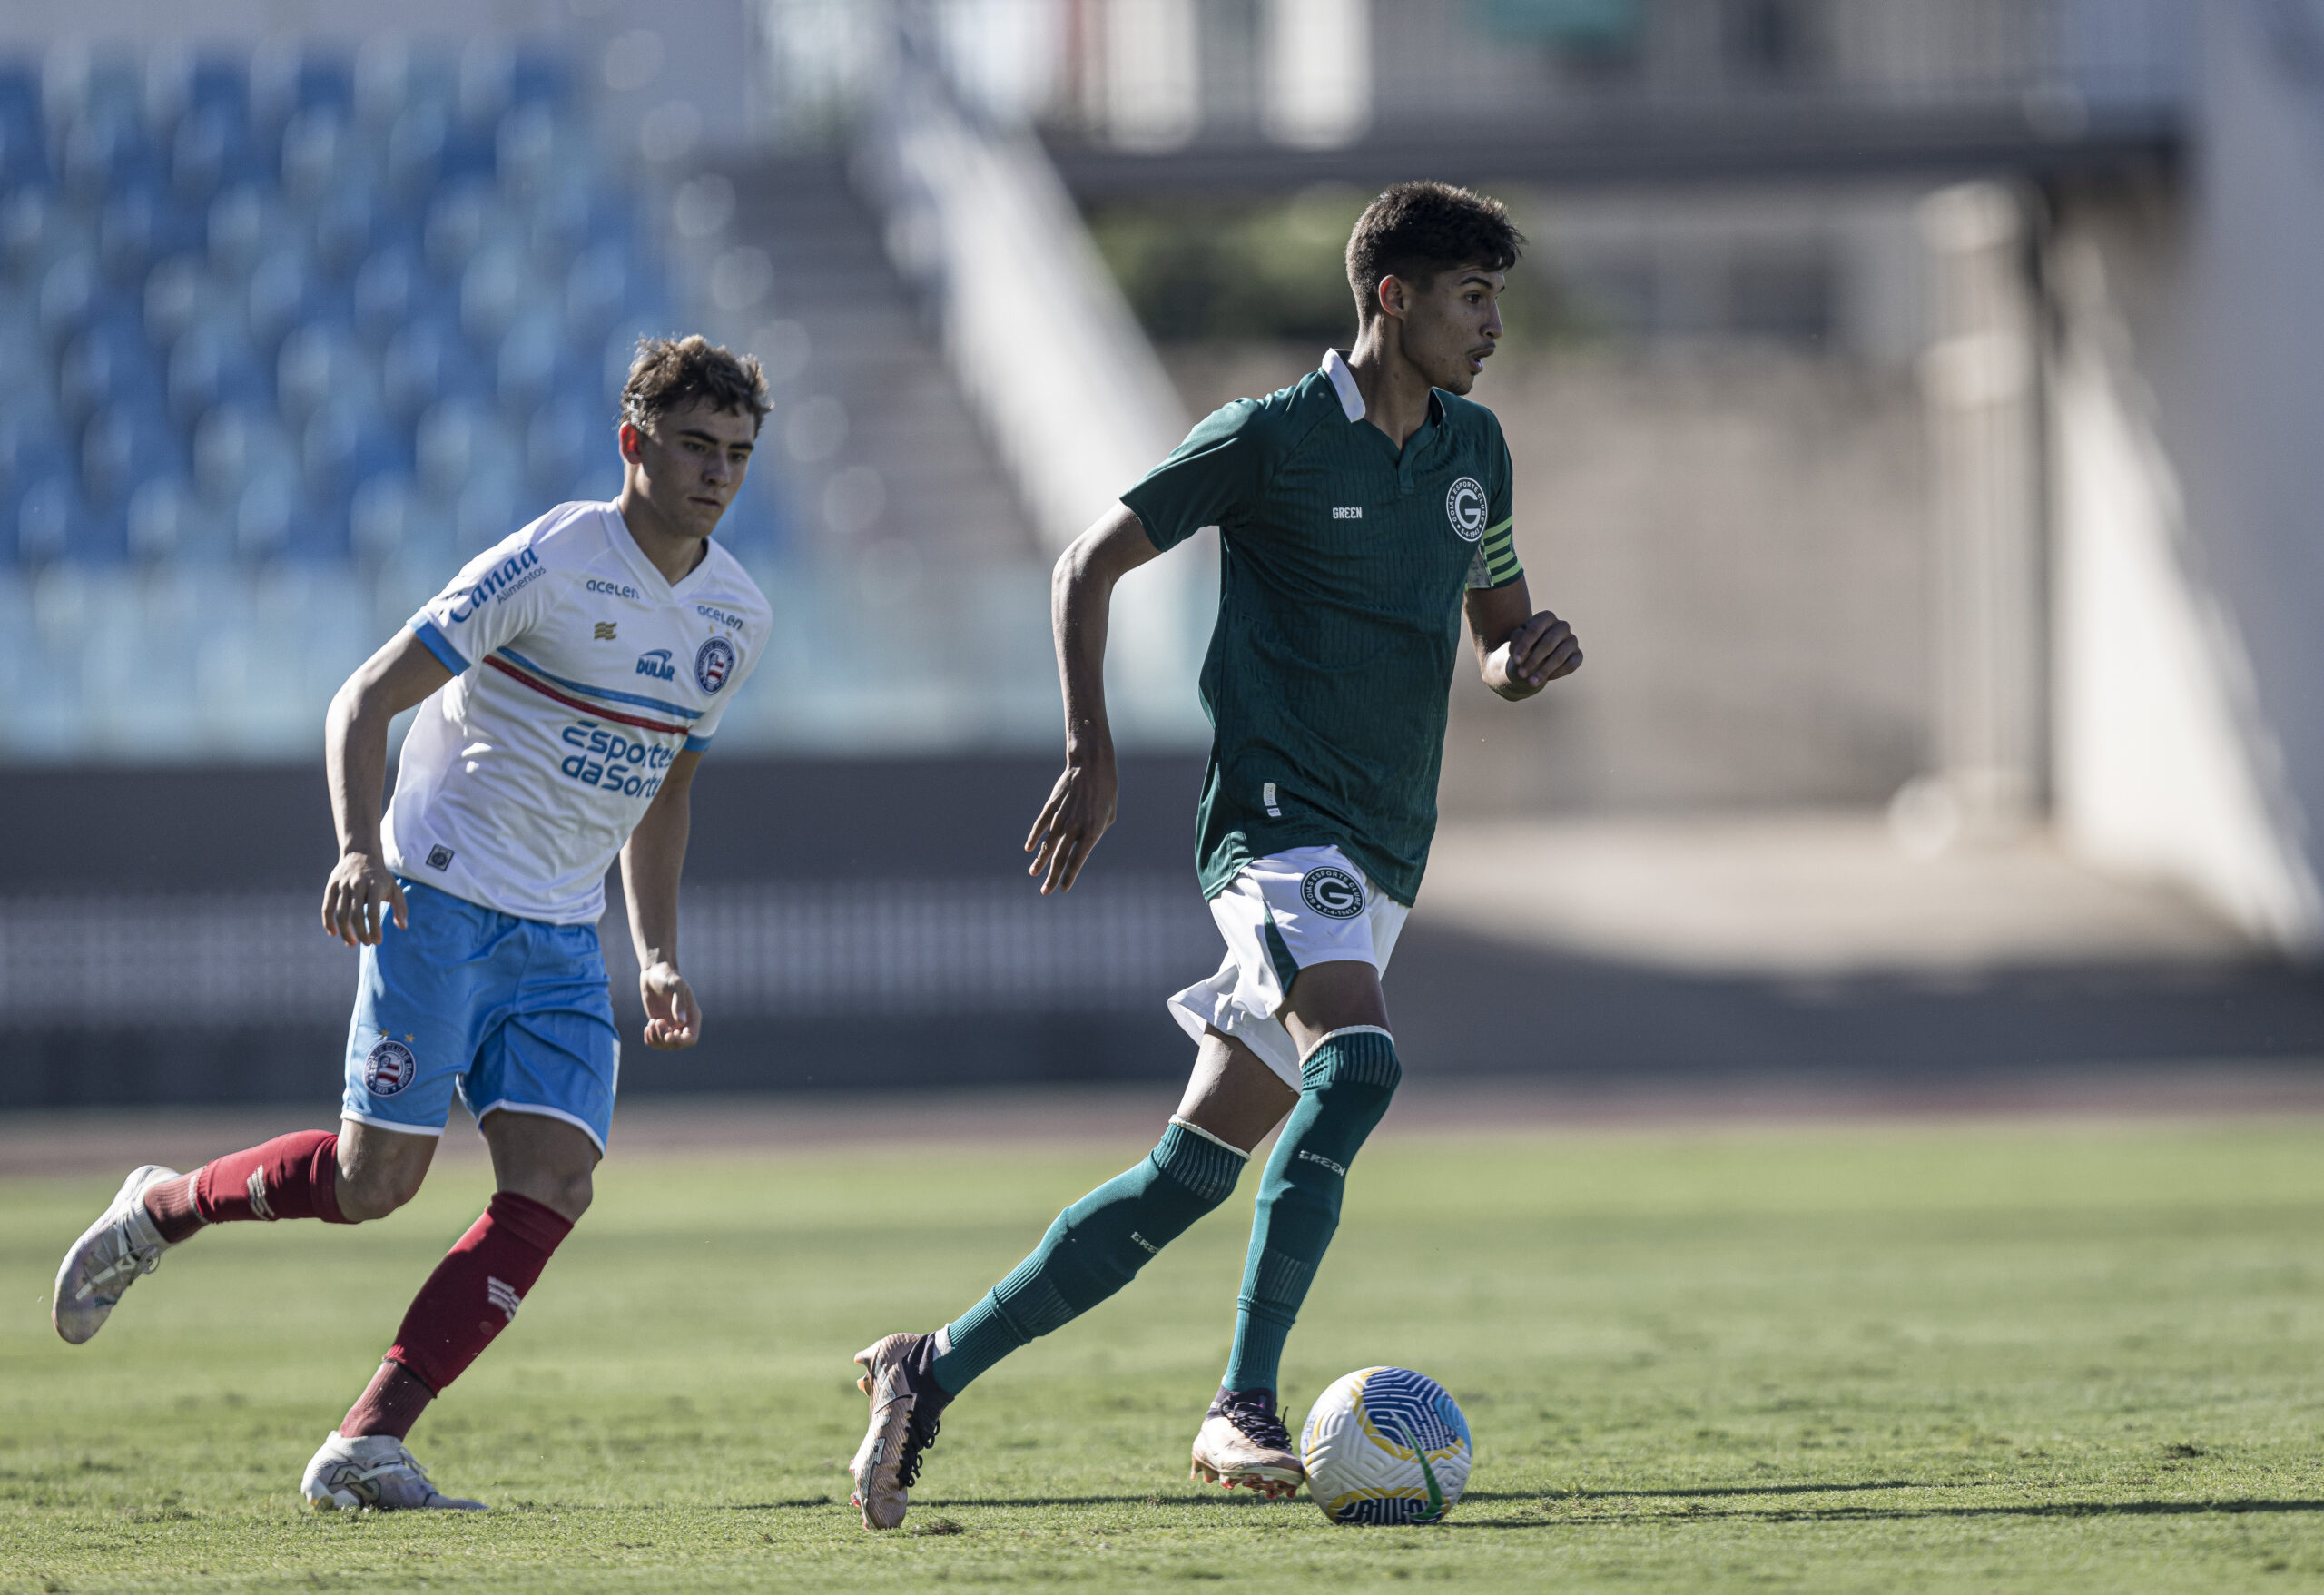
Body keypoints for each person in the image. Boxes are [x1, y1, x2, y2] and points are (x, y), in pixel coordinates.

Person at [844, 182, 1584, 1530]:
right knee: (1356, 1066)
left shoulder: (1478, 448)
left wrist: (1519, 660)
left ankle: (927, 1367)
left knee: (1185, 1175)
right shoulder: (1271, 436)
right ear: (1393, 297)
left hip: (1384, 850)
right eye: (1470, 297)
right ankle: (1243, 1400)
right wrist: (1093, 749)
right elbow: (1087, 561)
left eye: (1497, 299)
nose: (1491, 326)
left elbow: (1494, 627)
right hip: (1273, 822)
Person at [51, 335, 773, 1512]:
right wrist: (353, 848)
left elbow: (667, 787)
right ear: (633, 442)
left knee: (556, 1181)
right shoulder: (551, 557)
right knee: (374, 1179)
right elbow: (366, 695)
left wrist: (655, 950)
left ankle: (366, 1442)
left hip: (558, 935)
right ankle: (160, 1208)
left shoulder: (736, 617)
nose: (718, 473)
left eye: (739, 453)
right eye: (696, 444)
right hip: (437, 896)